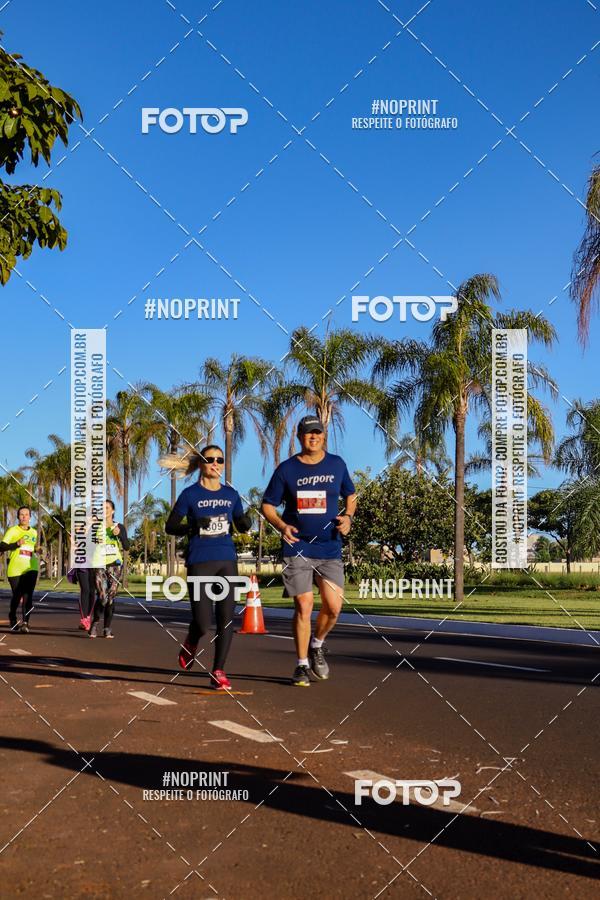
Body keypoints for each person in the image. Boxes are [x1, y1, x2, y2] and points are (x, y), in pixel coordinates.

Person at [262, 416, 357, 687]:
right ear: (300, 437)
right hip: (297, 547)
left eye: (317, 433)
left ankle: (317, 644)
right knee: (304, 605)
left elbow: (350, 494)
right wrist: (281, 525)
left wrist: (348, 516)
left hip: (329, 546)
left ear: (324, 436)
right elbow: (267, 505)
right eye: (307, 433)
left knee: (334, 606)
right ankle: (301, 665)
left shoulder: (337, 464)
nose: (313, 437)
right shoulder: (286, 469)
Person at [164, 444, 252, 690]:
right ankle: (192, 640)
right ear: (201, 464)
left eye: (220, 460)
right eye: (210, 459)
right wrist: (192, 527)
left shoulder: (231, 494)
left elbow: (240, 523)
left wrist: (246, 522)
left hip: (226, 560)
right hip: (199, 560)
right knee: (203, 622)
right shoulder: (190, 495)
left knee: (226, 619)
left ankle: (218, 670)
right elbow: (170, 526)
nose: (216, 463)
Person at [89, 500, 129, 639]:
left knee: (111, 597)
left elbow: (127, 546)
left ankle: (107, 628)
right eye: (102, 508)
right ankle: (94, 623)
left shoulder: (119, 526)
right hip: (99, 564)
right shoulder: (95, 527)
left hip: (115, 564)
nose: (104, 510)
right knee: (102, 596)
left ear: (112, 511)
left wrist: (120, 535)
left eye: (107, 508)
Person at [0, 506, 40, 633]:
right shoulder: (12, 531)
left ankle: (25, 623)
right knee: (17, 596)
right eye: (21, 514)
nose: (24, 517)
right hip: (15, 568)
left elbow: (32, 548)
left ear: (30, 517)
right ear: (18, 517)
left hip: (31, 567)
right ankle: (12, 616)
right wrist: (16, 544)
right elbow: (1, 547)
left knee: (28, 595)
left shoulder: (34, 532)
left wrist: (38, 549)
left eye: (27, 514)